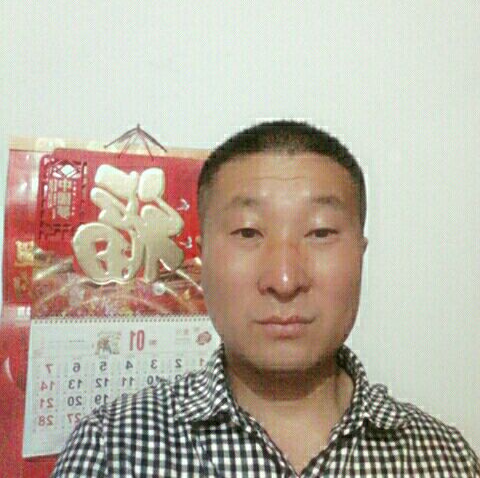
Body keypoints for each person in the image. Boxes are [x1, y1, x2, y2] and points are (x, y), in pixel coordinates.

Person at [52, 121, 479, 477]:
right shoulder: (112, 451)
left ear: (360, 255)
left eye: (321, 232)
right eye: (248, 232)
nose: (285, 279)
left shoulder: (445, 460)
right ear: (202, 258)